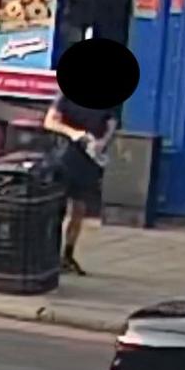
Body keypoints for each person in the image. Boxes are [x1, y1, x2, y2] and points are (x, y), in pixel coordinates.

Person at [42, 93, 116, 277]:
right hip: (63, 156)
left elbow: (111, 124)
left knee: (79, 209)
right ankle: (49, 255)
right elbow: (50, 121)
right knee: (56, 208)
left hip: (88, 160)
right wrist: (74, 133)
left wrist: (103, 142)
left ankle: (67, 255)